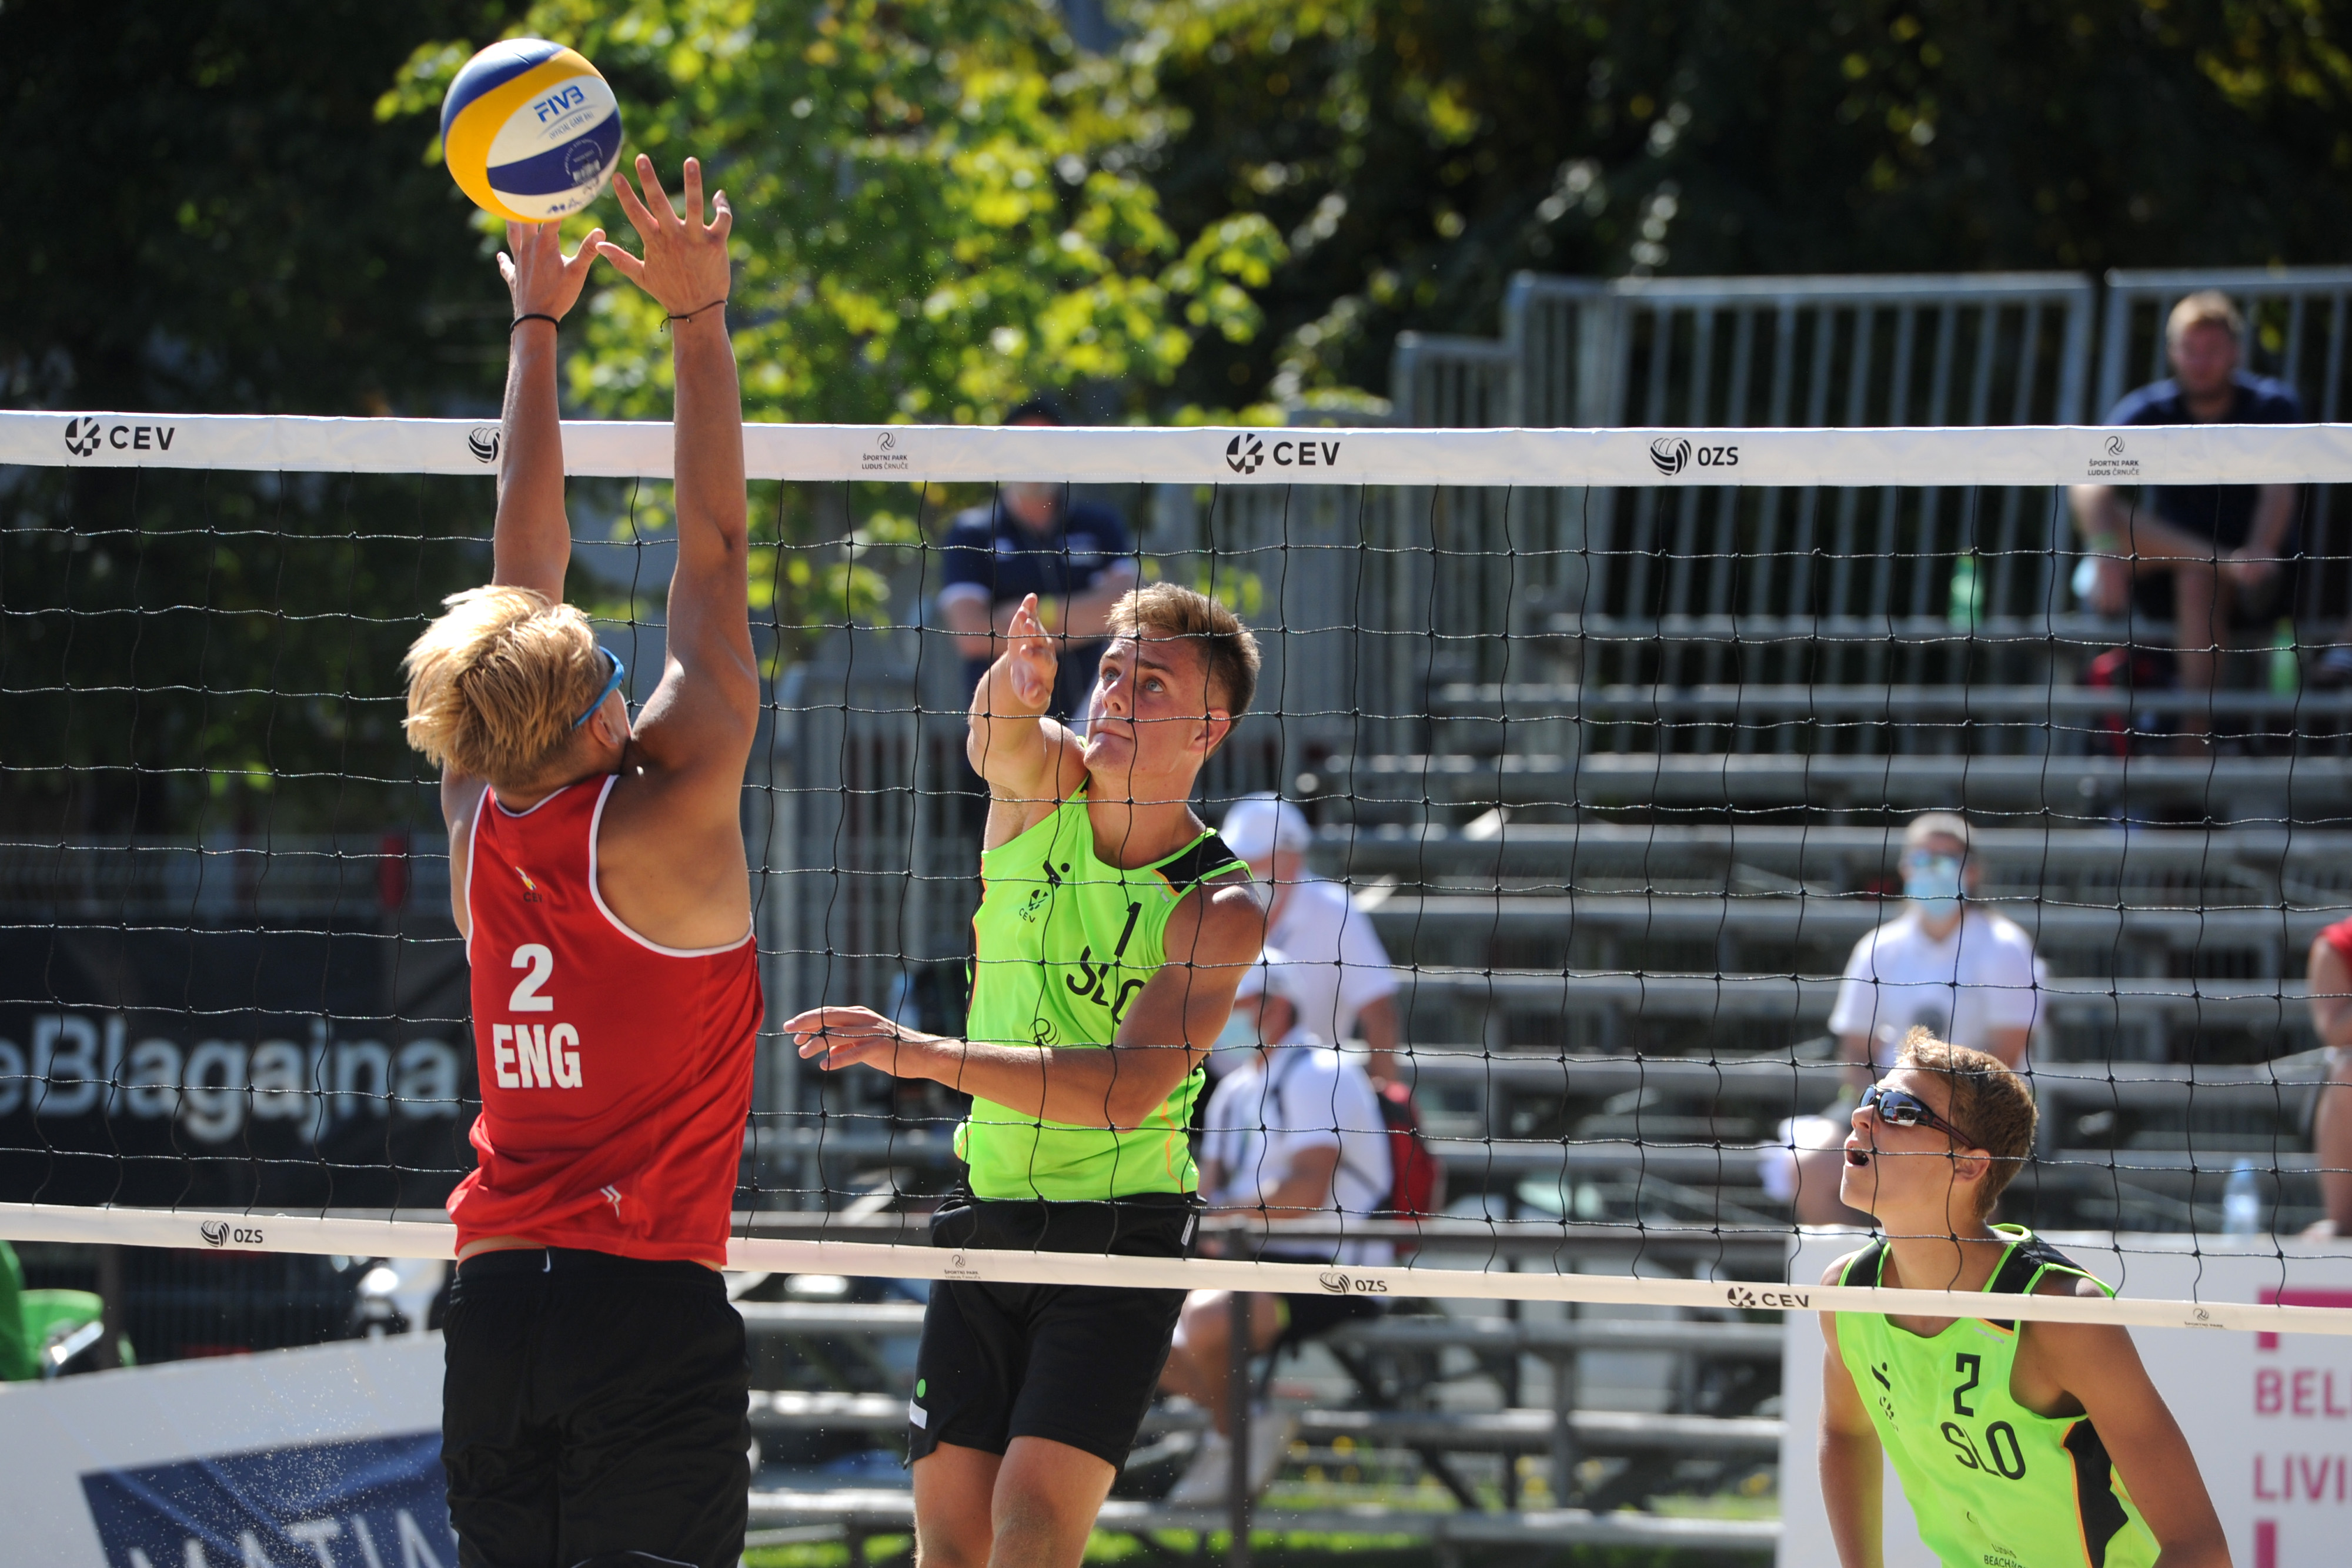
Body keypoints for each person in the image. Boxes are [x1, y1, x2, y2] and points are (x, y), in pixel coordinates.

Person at [400, 158, 763, 1568]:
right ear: (605, 715)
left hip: (496, 1309)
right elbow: (713, 550)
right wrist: (697, 320)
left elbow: (519, 562)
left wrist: (535, 328)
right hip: (640, 1308)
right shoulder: (669, 818)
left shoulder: (474, 816)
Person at [784, 583, 1266, 1568]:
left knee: (1032, 1527)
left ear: (1209, 728)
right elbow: (999, 738)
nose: (1118, 694)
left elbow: (1122, 1093)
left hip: (1119, 1235)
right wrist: (1014, 681)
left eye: (1153, 684)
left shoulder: (1218, 905)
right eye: (1114, 672)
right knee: (949, 1548)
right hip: (990, 1209)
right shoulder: (1048, 787)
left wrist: (920, 1052)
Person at [1818, 1031, 2229, 1568]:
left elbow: (2201, 1549)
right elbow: (1845, 1430)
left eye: (1899, 1109)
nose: (1862, 1116)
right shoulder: (1848, 1293)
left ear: (1969, 1165)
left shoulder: (2061, 1314)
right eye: (1871, 1097)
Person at [1159, 951, 1395, 1504]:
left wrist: (1218, 1218)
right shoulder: (1235, 1090)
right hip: (1254, 1260)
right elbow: (1209, 1196)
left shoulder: (1322, 1073)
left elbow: (1304, 1194)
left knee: (1208, 1321)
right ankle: (1243, 1426)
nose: (1217, 1019)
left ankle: (1236, 1436)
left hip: (1338, 1268)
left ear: (1275, 1005)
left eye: (1228, 1003)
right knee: (1133, 1319)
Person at [1769, 813, 2043, 1226]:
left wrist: (1935, 1116)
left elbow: (2007, 1053)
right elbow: (1855, 1049)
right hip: (1886, 1101)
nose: (1933, 869)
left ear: (1972, 871)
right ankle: (1865, 1265)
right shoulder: (1879, 946)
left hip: (1972, 1112)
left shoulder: (2005, 947)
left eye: (1946, 859)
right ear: (1904, 867)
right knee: (1806, 1169)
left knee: (1964, 1173)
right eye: (1922, 858)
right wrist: (1886, 1112)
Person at [2070, 291, 2304, 717]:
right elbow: (2089, 481)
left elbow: (2279, 491)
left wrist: (2258, 550)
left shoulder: (2272, 406)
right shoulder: (2148, 409)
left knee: (2197, 579)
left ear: (2235, 352)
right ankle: (2222, 563)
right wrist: (2104, 550)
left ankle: (2193, 740)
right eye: (2189, 349)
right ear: (2172, 352)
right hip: (2166, 571)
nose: (2200, 361)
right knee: (2118, 524)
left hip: (2258, 578)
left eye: (2212, 349)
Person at [937, 395, 1142, 724]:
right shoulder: (971, 532)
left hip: (1096, 720)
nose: (1033, 457)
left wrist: (1026, 621)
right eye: (1022, 446)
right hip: (1004, 723)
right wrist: (1084, 618)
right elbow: (972, 634)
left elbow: (1127, 611)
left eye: (1045, 445)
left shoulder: (1100, 525)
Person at [1219, 794, 1402, 1082]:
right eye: (1238, 858)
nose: (1244, 869)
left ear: (1293, 859)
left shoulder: (1334, 912)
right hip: (1211, 1089)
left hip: (1312, 1085)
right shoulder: (1213, 906)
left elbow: (1378, 1012)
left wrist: (1387, 1096)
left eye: (1256, 857)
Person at [2303, 920, 2352, 1236]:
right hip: (2343, 1097)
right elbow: (2334, 1031)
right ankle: (2344, 1221)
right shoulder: (2336, 945)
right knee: (2349, 1070)